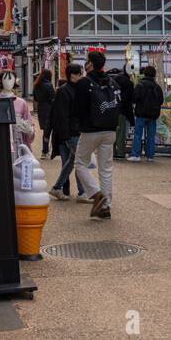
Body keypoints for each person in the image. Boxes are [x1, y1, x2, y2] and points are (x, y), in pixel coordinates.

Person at [73, 52, 121, 217]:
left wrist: (77, 124)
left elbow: (78, 107)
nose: (85, 64)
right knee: (106, 169)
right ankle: (106, 206)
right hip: (110, 130)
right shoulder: (112, 82)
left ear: (91, 64)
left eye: (87, 62)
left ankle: (95, 194)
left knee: (80, 164)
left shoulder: (84, 83)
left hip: (90, 130)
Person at [49, 64, 84, 200]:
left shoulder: (76, 89)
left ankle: (58, 188)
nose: (81, 76)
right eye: (79, 73)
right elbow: (61, 115)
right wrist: (66, 135)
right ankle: (82, 192)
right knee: (80, 161)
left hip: (75, 131)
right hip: (70, 133)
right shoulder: (64, 91)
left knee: (72, 161)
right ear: (73, 75)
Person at [129, 65, 165, 162]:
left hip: (141, 113)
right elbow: (161, 101)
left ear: (144, 73)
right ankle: (150, 156)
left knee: (138, 134)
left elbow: (134, 99)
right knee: (151, 136)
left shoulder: (140, 85)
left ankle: (136, 155)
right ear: (154, 75)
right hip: (153, 115)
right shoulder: (157, 87)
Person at [0, 69, 35, 147]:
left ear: (15, 81)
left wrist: (30, 130)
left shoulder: (22, 102)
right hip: (0, 143)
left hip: (18, 143)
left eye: (11, 79)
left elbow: (29, 123)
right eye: (5, 79)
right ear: (0, 81)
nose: (8, 82)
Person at [32, 69, 56, 157]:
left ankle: (45, 151)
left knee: (46, 131)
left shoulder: (36, 85)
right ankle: (48, 150)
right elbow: (53, 98)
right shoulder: (49, 85)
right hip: (49, 109)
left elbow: (35, 98)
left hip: (41, 109)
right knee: (51, 130)